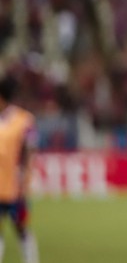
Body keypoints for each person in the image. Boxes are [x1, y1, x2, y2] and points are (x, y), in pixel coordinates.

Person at [0, 75, 39, 263]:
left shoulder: (24, 120)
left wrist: (25, 179)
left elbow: (29, 151)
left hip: (15, 186)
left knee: (21, 227)